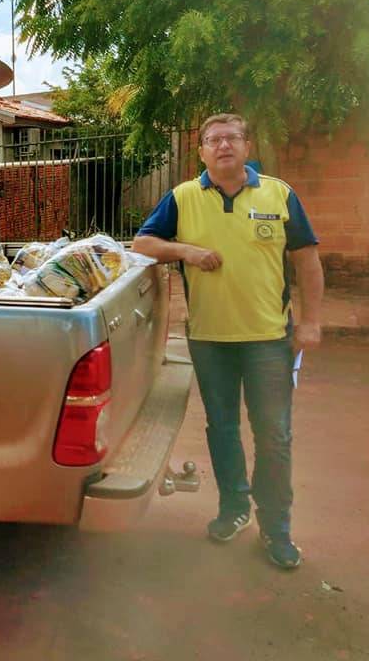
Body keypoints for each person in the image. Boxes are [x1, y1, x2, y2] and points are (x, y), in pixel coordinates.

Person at [133, 113, 324, 569]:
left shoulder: (279, 194)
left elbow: (308, 261)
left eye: (232, 138)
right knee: (222, 429)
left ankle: (276, 528)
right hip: (210, 340)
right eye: (213, 140)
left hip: (269, 341)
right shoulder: (183, 197)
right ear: (201, 152)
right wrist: (187, 251)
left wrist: (311, 322)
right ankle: (234, 509)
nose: (223, 146)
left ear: (246, 146)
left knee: (274, 435)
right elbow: (142, 244)